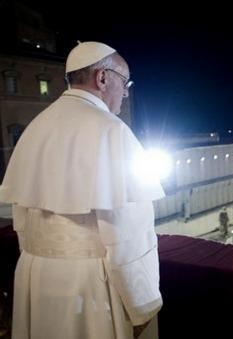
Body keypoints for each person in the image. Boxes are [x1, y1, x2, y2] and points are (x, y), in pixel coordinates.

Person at [0, 41, 165, 339]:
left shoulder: (35, 126)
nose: (126, 92)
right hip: (90, 287)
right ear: (102, 78)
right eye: (123, 82)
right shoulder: (112, 131)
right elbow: (128, 235)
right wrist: (141, 304)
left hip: (36, 278)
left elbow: (21, 221)